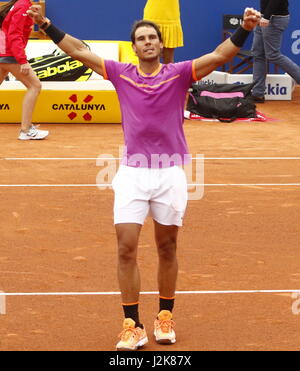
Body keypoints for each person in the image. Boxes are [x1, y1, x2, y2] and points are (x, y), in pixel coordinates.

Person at [28, 5, 261, 350]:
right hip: (132, 175)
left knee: (167, 246)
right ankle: (132, 324)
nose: (148, 42)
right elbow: (77, 50)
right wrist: (46, 24)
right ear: (134, 47)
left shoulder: (180, 73)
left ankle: (165, 317)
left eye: (152, 37)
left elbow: (219, 54)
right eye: (141, 39)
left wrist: (245, 28)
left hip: (170, 173)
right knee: (125, 249)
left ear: (159, 43)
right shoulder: (120, 72)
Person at [0, 0, 48, 140]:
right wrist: (22, 61)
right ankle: (26, 130)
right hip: (9, 55)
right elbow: (14, 35)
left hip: (3, 53)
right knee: (35, 86)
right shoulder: (23, 5)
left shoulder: (20, 4)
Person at [251, 0, 300, 102]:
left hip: (274, 18)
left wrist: (267, 16)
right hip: (264, 15)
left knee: (273, 55)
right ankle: (257, 93)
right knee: (258, 54)